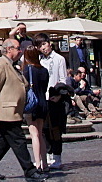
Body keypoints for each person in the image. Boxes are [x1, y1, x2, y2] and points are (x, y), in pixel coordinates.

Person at [0, 38, 46, 181]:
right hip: (7, 110)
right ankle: (29, 171)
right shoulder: (1, 65)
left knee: (3, 141)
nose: (20, 50)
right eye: (17, 48)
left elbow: (24, 84)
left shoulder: (12, 65)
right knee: (18, 140)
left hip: (13, 109)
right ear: (9, 49)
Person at [35, 33, 69, 170]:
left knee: (55, 128)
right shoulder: (39, 60)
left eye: (44, 44)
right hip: (43, 98)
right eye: (39, 46)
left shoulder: (59, 59)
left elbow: (63, 79)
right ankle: (47, 155)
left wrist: (60, 94)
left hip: (55, 98)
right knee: (44, 129)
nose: (43, 48)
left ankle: (57, 156)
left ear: (49, 43)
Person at [23, 46, 50, 174]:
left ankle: (37, 164)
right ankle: (45, 162)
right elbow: (45, 88)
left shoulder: (27, 70)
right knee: (40, 133)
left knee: (34, 134)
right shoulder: (44, 70)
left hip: (32, 104)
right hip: (43, 102)